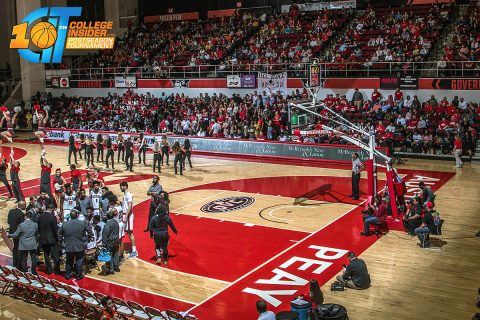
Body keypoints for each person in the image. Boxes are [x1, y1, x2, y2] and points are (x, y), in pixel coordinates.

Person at [58, 209, 92, 280]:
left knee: (69, 261)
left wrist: (61, 240)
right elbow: (90, 232)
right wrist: (87, 240)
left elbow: (59, 233)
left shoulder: (65, 224)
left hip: (69, 245)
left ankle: (67, 275)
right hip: (79, 245)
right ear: (77, 215)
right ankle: (78, 275)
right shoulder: (83, 223)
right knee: (79, 261)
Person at [38, 203, 61, 275]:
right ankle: (57, 271)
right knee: (55, 256)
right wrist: (58, 239)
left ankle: (49, 270)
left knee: (46, 256)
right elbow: (55, 229)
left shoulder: (40, 217)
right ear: (52, 209)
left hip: (43, 240)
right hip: (52, 240)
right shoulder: (52, 217)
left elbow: (39, 228)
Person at [120, 182, 137, 258]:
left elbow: (130, 205)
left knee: (130, 232)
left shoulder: (129, 195)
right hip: (125, 214)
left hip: (128, 215)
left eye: (121, 186)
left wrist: (126, 215)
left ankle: (134, 251)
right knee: (128, 232)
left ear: (125, 186)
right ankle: (133, 249)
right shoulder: (125, 194)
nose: (120, 188)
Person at [7, 201, 26, 269]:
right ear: (22, 206)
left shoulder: (11, 211)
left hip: (12, 232)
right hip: (18, 234)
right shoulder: (21, 214)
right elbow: (21, 226)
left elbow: (8, 221)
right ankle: (19, 265)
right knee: (19, 249)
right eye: (24, 205)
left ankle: (14, 263)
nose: (25, 207)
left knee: (15, 248)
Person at [102, 210, 120, 275]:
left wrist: (104, 244)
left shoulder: (107, 224)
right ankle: (116, 267)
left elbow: (105, 235)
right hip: (116, 240)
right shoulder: (116, 222)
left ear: (107, 217)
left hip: (110, 242)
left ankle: (111, 269)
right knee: (115, 253)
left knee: (110, 255)